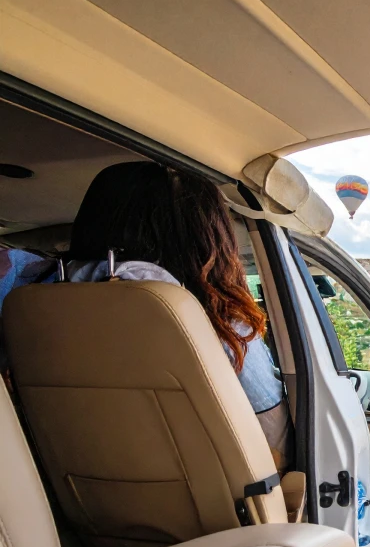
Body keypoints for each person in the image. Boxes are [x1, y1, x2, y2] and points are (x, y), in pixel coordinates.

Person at [67, 161, 293, 471]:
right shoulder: (219, 324)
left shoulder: (39, 303)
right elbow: (273, 436)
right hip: (215, 508)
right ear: (209, 238)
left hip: (74, 496)